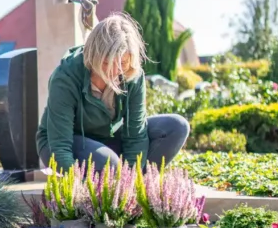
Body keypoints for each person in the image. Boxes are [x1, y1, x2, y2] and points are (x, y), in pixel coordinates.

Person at [36, 13, 190, 172]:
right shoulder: (66, 76)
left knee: (177, 127)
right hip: (62, 142)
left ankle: (131, 185)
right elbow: (60, 144)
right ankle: (108, 179)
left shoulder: (132, 75)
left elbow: (135, 134)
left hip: (107, 140)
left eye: (122, 63)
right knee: (108, 164)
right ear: (93, 55)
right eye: (106, 63)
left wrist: (131, 180)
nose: (115, 71)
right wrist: (73, 185)